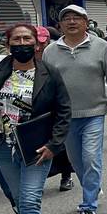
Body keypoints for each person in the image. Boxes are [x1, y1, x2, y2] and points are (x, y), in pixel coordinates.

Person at [0, 24, 71, 214]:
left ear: (36, 44)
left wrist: (53, 144)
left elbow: (63, 112)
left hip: (35, 148)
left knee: (29, 200)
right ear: (9, 44)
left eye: (27, 38)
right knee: (18, 198)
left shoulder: (50, 73)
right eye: (17, 39)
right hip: (2, 147)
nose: (22, 43)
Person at [42, 5, 107, 214]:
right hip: (65, 118)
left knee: (91, 157)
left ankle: (89, 206)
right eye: (66, 18)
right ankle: (93, 184)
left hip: (94, 113)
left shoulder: (101, 47)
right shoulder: (51, 51)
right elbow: (46, 86)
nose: (71, 22)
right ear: (60, 25)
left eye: (76, 18)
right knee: (77, 161)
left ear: (86, 22)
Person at [36, 26, 73, 192]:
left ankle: (66, 176)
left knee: (60, 143)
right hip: (38, 109)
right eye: (35, 42)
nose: (38, 46)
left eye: (41, 42)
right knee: (38, 144)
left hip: (58, 104)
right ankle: (37, 179)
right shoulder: (22, 58)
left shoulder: (54, 53)